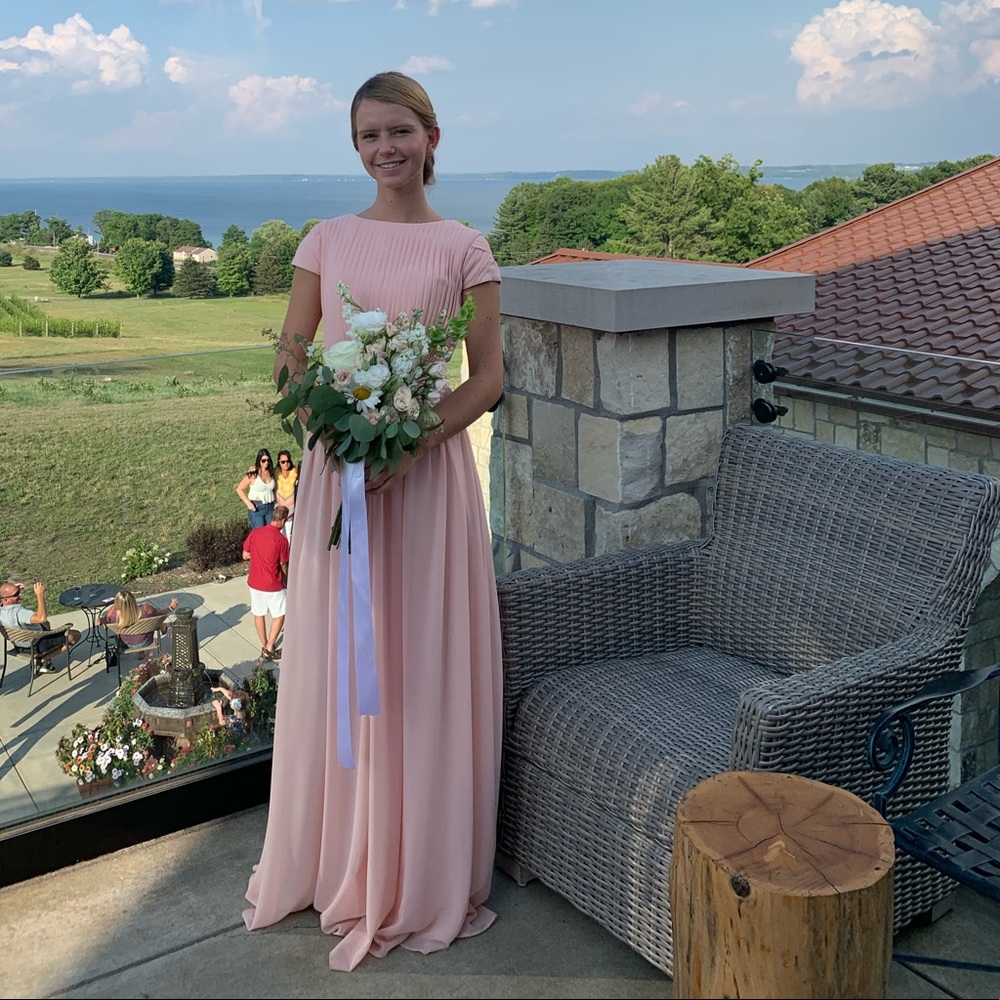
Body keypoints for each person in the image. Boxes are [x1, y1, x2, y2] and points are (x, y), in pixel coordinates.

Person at [243, 71, 504, 972]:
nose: (384, 149)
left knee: (418, 659)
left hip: (424, 485)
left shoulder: (467, 248)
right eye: (367, 137)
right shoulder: (325, 240)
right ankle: (338, 854)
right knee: (341, 659)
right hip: (338, 478)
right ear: (355, 148)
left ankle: (418, 866)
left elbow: (488, 376)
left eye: (399, 131)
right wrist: (331, 426)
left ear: (433, 137)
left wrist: (413, 442)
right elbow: (291, 350)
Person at [0, 581, 81, 673]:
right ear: (6, 599)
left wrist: (13, 589)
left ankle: (46, 661)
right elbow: (41, 618)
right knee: (75, 636)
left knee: (46, 624)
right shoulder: (19, 613)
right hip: (35, 645)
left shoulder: (2, 608)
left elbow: (4, 595)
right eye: (16, 594)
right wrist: (40, 594)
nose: (20, 595)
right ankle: (42, 660)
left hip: (19, 644)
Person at [242, 504, 289, 661]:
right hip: (272, 584)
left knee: (259, 613)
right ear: (282, 520)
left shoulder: (256, 533)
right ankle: (270, 646)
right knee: (280, 613)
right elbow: (283, 564)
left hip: (254, 582)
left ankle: (264, 644)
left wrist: (257, 554)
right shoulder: (281, 540)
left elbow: (245, 555)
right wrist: (287, 581)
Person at [99, 589, 179, 663]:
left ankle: (162, 626)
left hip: (123, 644)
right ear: (133, 600)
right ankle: (161, 628)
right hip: (145, 642)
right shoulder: (145, 609)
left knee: (138, 629)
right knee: (155, 619)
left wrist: (100, 620)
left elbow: (105, 620)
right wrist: (171, 607)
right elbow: (160, 614)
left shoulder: (112, 613)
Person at [235, 449, 276, 528]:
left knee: (269, 534)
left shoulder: (272, 473)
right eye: (263, 460)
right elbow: (239, 489)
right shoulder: (253, 474)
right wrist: (248, 503)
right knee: (260, 535)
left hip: (270, 507)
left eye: (268, 460)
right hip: (257, 508)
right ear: (259, 461)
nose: (266, 463)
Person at [274, 450, 298, 539]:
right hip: (278, 507)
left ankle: (288, 552)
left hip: (290, 508)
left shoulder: (294, 472)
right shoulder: (275, 473)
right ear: (279, 462)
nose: (285, 464)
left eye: (287, 461)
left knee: (289, 533)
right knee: (278, 532)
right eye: (283, 462)